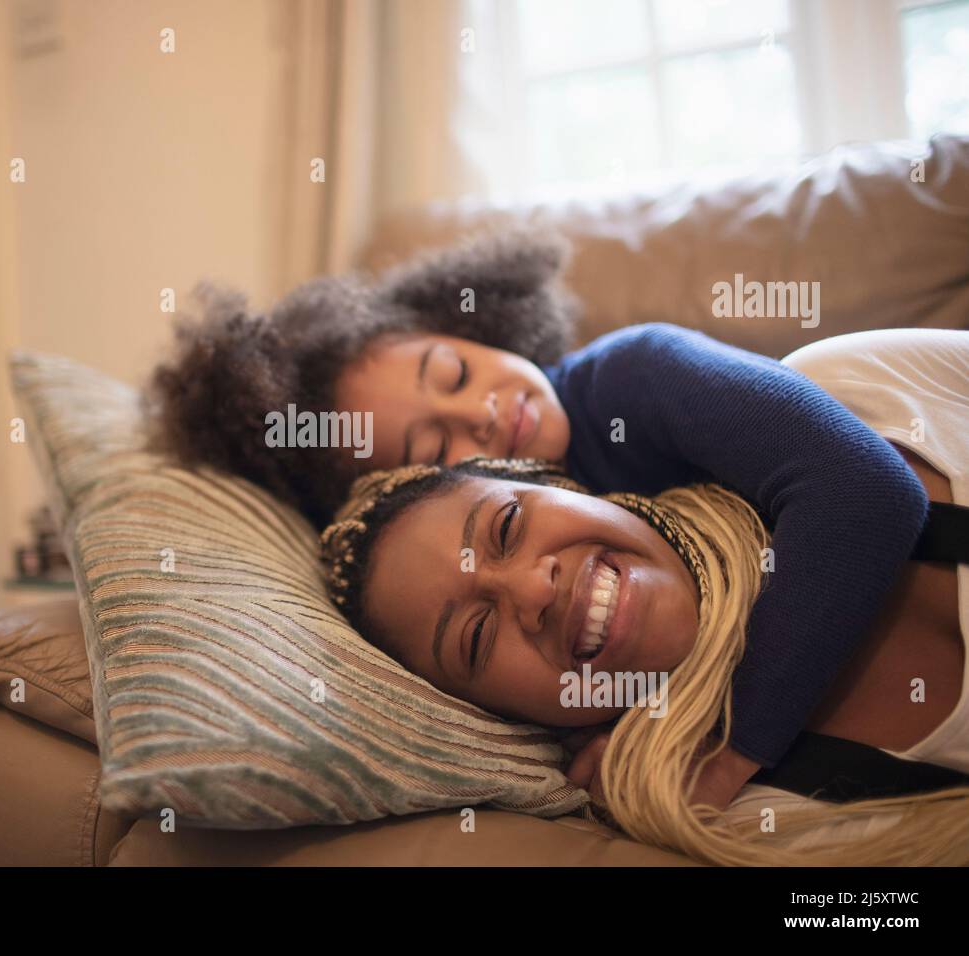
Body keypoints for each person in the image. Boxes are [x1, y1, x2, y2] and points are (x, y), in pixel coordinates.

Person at [147, 226, 928, 810]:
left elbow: (865, 493)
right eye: (436, 443)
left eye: (452, 370)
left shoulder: (637, 372)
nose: (481, 413)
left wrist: (731, 749)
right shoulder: (528, 583)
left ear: (473, 327)